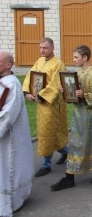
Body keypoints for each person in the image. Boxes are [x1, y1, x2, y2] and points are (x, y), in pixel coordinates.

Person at [50, 45, 92, 191]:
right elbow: (74, 96)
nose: (73, 60)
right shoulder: (78, 74)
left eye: (76, 57)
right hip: (79, 116)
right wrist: (66, 92)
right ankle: (74, 176)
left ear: (85, 57)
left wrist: (84, 95)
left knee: (91, 144)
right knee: (77, 144)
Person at [22, 37, 68, 177]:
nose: (42, 50)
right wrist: (27, 92)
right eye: (40, 48)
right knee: (45, 131)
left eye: (45, 48)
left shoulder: (58, 64)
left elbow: (55, 83)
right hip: (39, 104)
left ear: (52, 48)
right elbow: (30, 76)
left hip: (51, 104)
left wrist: (41, 96)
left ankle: (46, 164)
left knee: (48, 132)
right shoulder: (39, 61)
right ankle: (66, 152)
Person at [0, 52, 34, 215]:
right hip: (3, 138)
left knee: (8, 168)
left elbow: (8, 115)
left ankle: (12, 200)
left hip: (10, 137)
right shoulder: (3, 82)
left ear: (8, 65)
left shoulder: (12, 84)